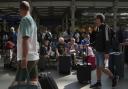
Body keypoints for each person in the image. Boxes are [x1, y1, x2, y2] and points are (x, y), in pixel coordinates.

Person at [10, 1, 39, 87]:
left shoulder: (25, 19)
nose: (19, 12)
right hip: (33, 57)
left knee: (18, 84)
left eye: (19, 10)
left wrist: (24, 58)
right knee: (34, 82)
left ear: (22, 9)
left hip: (27, 58)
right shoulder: (32, 21)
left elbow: (25, 39)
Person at [90, 14, 118, 88]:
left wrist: (107, 52)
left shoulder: (105, 27)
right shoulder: (98, 28)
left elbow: (107, 40)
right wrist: (91, 44)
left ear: (100, 19)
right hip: (97, 51)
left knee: (102, 67)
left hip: (103, 51)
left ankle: (113, 77)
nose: (95, 20)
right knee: (98, 67)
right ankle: (98, 82)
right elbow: (96, 40)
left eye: (96, 19)